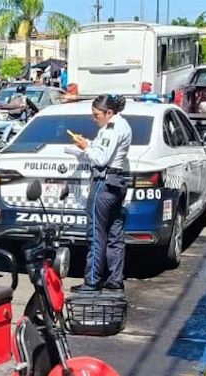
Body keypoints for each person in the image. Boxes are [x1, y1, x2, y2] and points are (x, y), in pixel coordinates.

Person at [66, 94, 132, 294]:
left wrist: (86, 147)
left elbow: (101, 159)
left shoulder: (110, 129)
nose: (94, 119)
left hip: (104, 183)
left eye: (96, 115)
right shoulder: (122, 125)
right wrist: (84, 148)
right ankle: (114, 279)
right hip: (117, 182)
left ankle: (92, 280)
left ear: (109, 113)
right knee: (114, 233)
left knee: (96, 233)